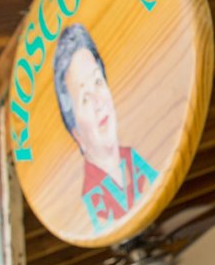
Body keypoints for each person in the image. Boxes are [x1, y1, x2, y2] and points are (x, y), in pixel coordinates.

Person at [52, 23, 158, 232]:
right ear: (76, 134)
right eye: (84, 98)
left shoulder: (143, 163)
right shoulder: (91, 207)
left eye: (98, 82)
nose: (99, 102)